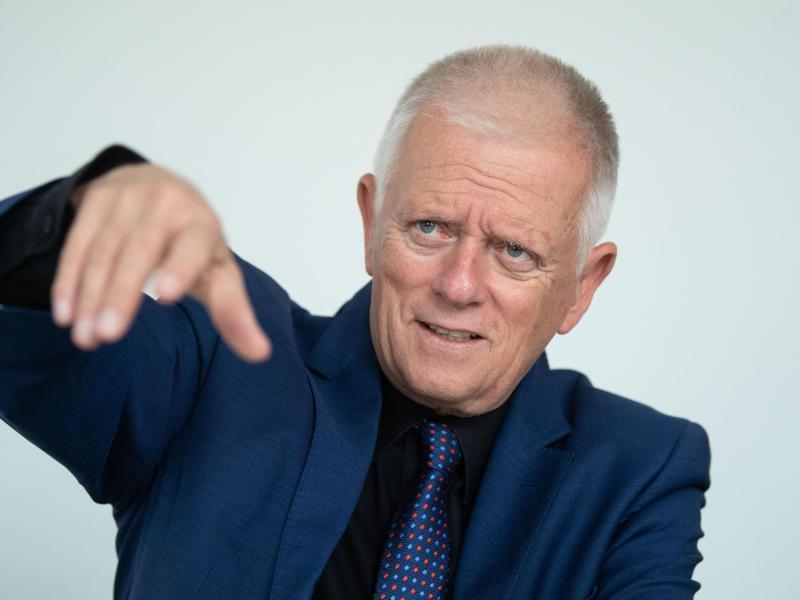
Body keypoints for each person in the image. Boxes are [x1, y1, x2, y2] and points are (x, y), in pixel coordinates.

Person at [0, 45, 710, 599]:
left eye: (515, 251)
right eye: (430, 227)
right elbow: (30, 336)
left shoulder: (642, 468)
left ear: (582, 287)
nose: (459, 285)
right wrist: (71, 219)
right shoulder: (221, 354)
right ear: (372, 223)